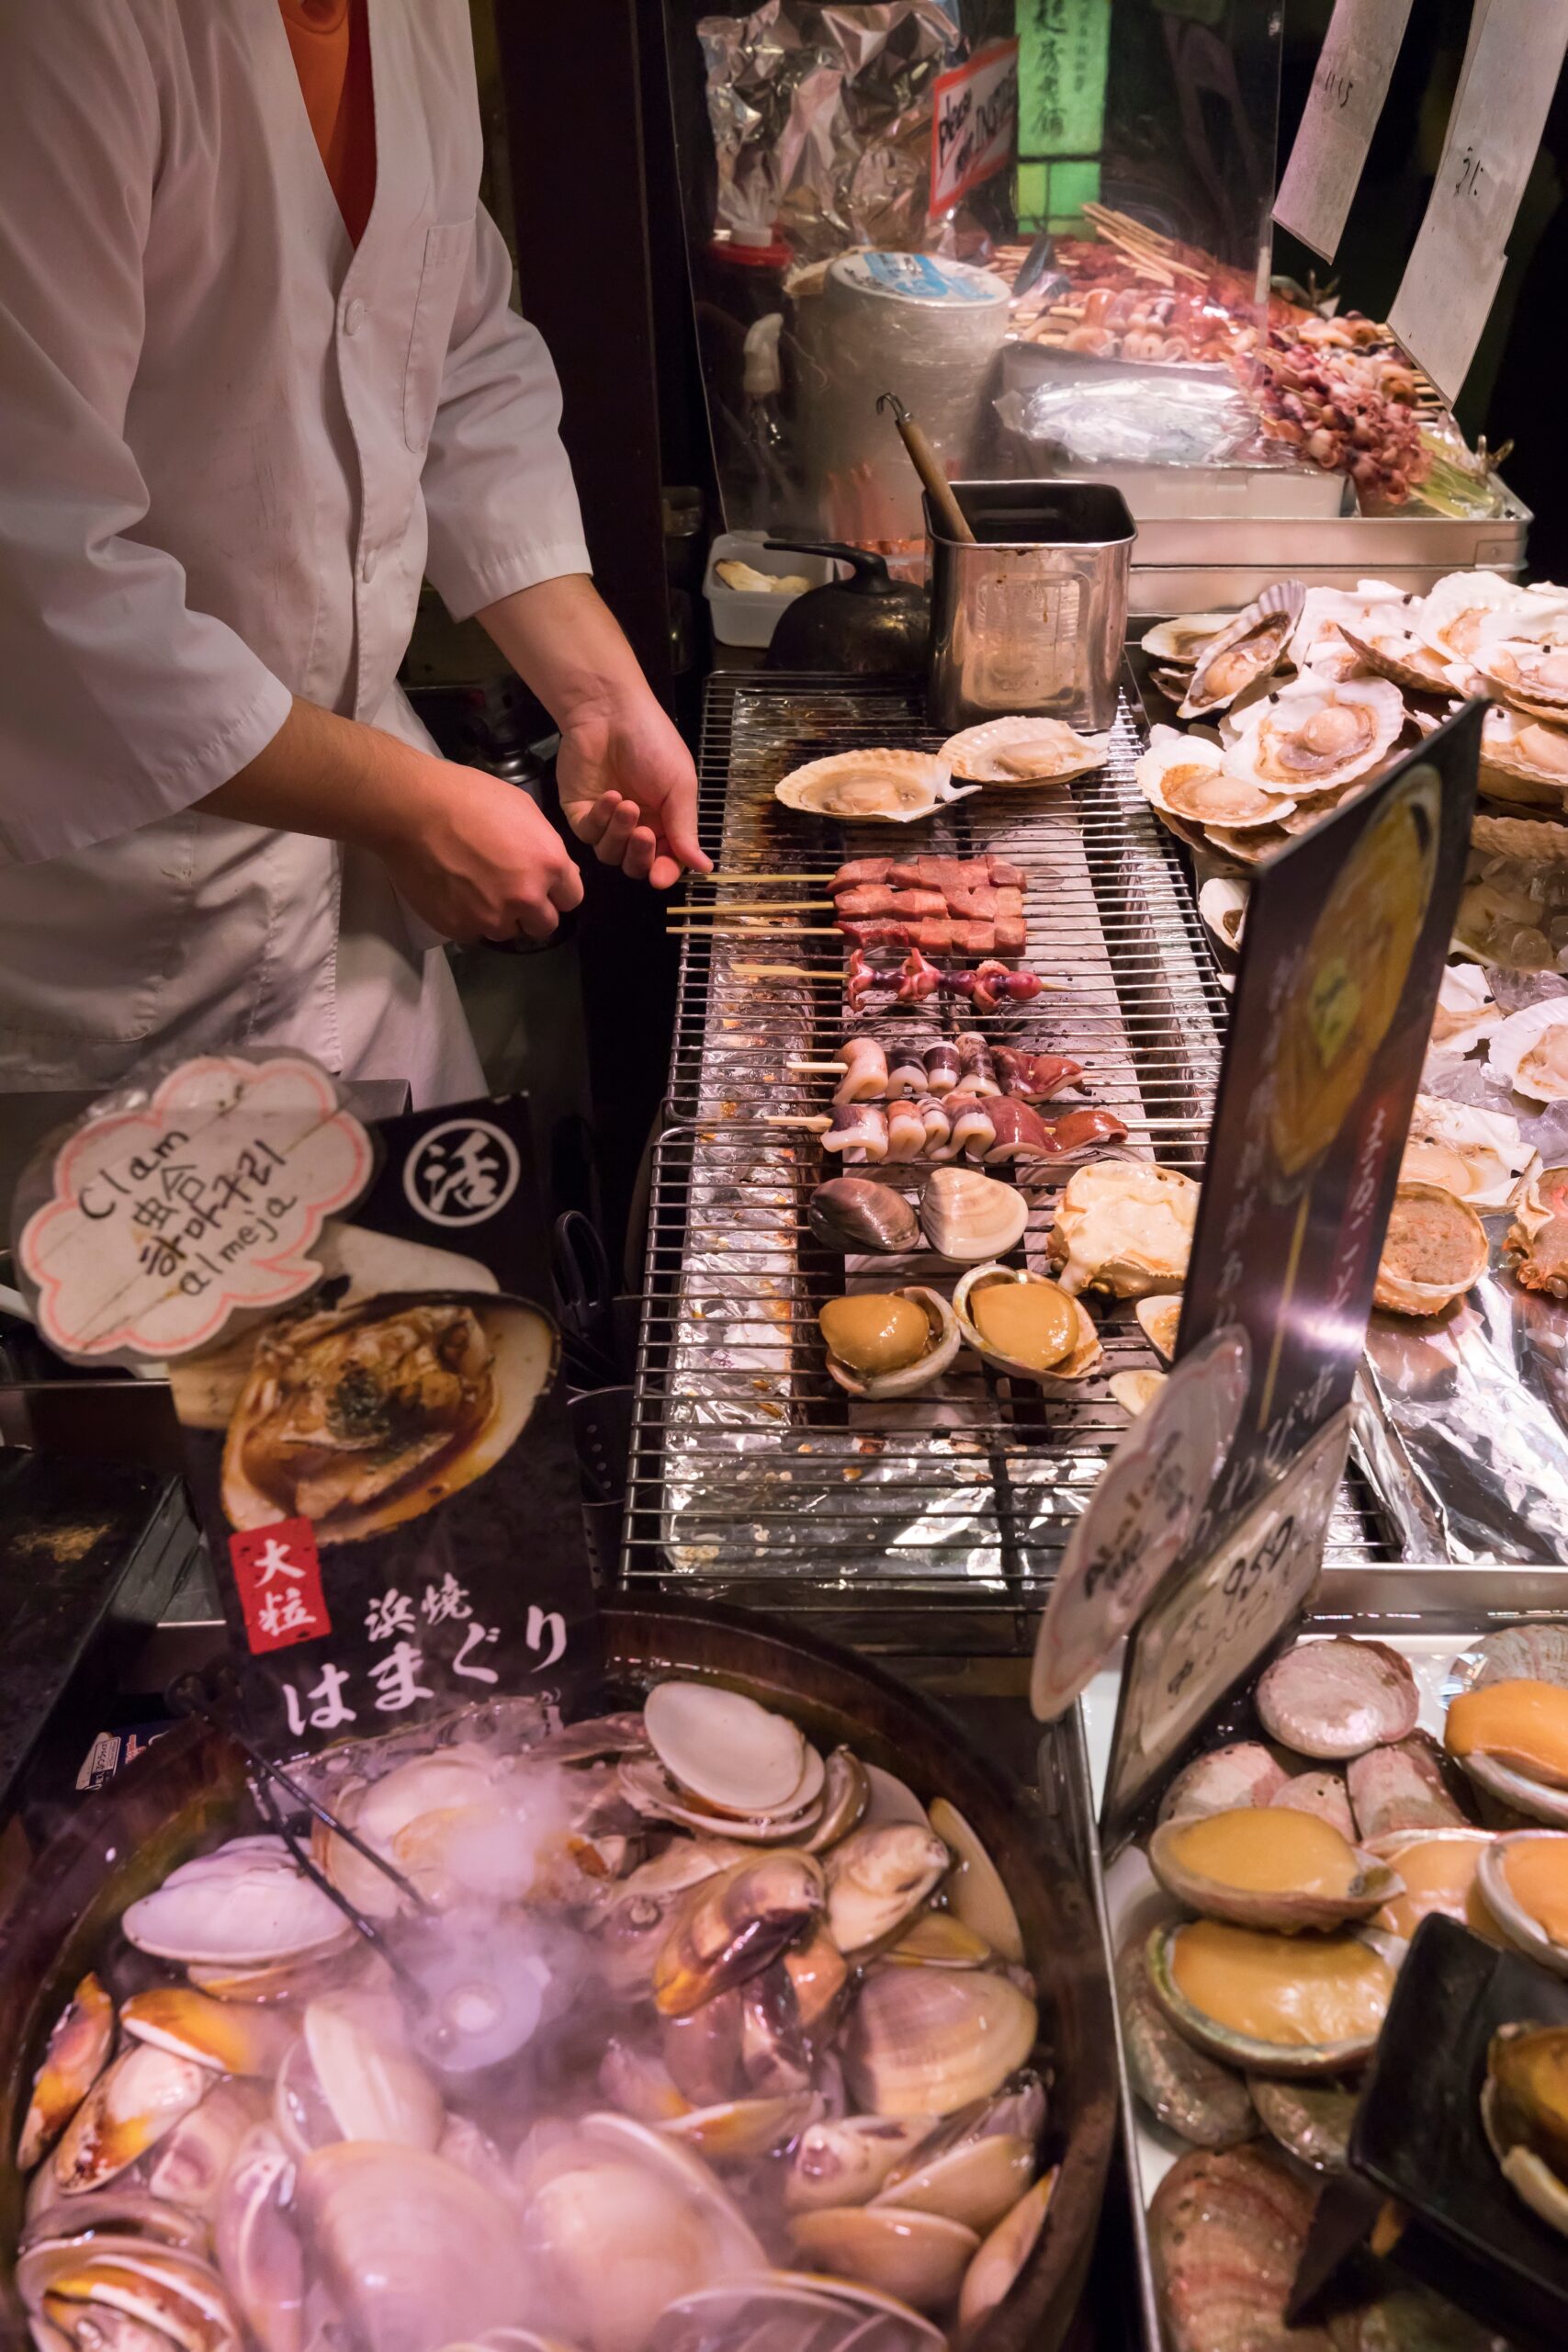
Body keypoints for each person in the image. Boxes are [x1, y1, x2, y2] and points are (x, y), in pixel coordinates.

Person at [0, 0, 707, 1109]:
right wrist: (403, 805)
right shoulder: (61, 33)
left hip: (355, 922)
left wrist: (601, 692)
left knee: (446, 1276)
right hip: (112, 939)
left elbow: (458, 352)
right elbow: (35, 563)